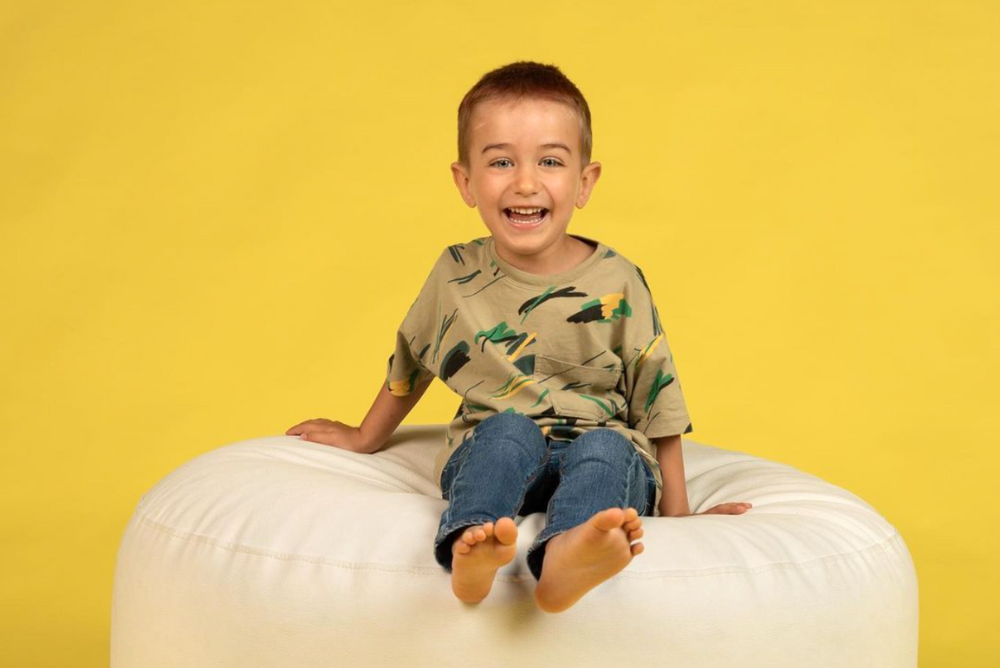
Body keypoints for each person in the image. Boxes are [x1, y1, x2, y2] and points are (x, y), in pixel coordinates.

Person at [286, 60, 752, 613]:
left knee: (606, 450)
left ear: (584, 182)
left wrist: (679, 515)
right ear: (466, 182)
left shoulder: (618, 281)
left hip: (599, 446)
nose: (525, 182)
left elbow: (657, 396)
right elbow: (414, 359)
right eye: (501, 161)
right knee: (506, 433)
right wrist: (366, 436)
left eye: (550, 162)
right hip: (497, 448)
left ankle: (566, 559)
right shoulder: (456, 272)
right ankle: (472, 546)